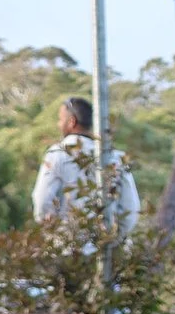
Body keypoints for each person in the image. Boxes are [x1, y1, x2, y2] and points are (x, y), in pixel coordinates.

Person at [31, 97, 138, 234]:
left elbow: (43, 199)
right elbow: (130, 207)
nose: (58, 124)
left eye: (60, 119)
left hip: (68, 243)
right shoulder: (115, 157)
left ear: (72, 122)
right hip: (106, 243)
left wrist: (51, 231)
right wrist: (116, 238)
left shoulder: (56, 154)